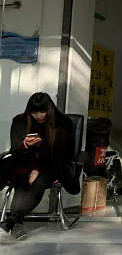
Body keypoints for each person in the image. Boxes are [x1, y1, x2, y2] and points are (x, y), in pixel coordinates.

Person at [1, 92, 74, 240]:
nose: (39, 116)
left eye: (42, 111)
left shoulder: (63, 123)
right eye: (34, 112)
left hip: (52, 164)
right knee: (20, 178)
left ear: (50, 109)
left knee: (38, 182)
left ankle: (11, 221)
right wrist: (23, 145)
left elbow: (63, 154)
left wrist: (38, 169)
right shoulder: (20, 121)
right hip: (24, 162)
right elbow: (15, 150)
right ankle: (16, 224)